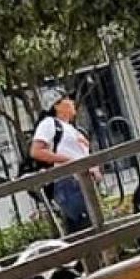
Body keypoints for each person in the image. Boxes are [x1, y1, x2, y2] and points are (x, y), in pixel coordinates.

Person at [29, 91, 93, 234]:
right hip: (68, 183)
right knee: (83, 228)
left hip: (81, 181)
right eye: (67, 99)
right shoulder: (49, 123)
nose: (72, 102)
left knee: (90, 224)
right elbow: (36, 151)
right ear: (56, 105)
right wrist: (69, 161)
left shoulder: (71, 128)